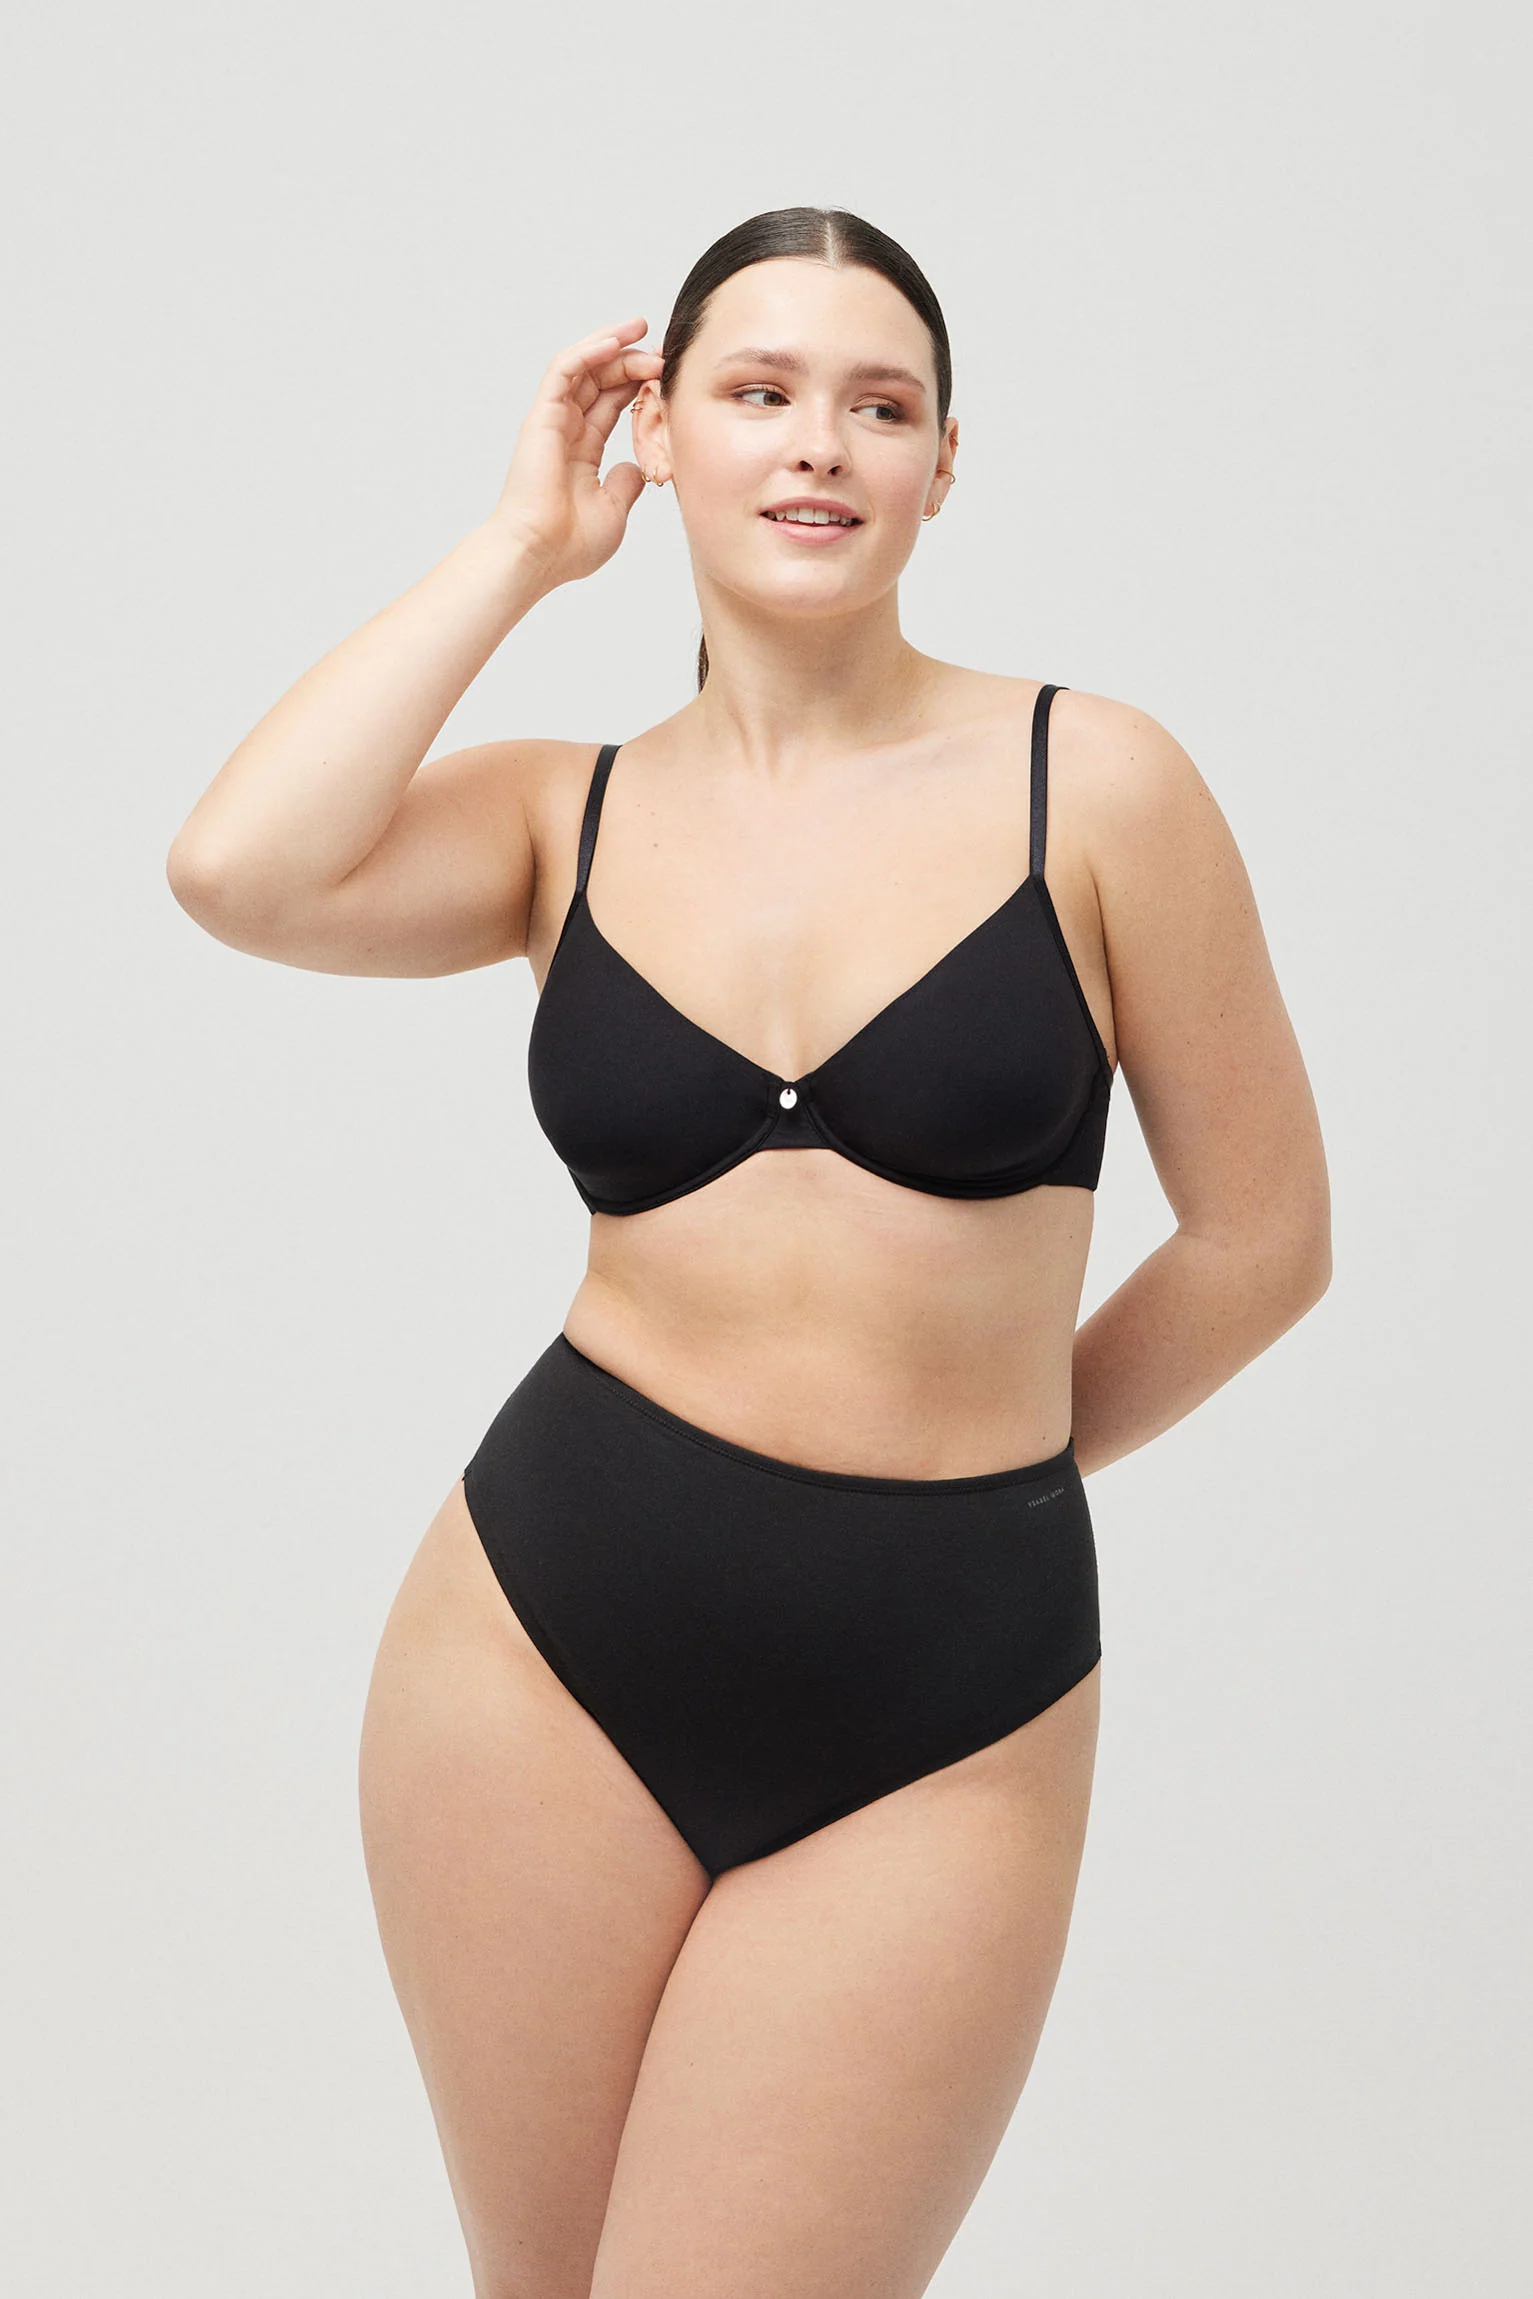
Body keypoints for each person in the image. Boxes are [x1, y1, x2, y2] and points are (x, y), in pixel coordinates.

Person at [165, 207, 1331, 2299]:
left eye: (878, 406)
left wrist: (995, 1475)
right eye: (760, 392)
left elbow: (1266, 1239)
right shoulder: (564, 815)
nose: (818, 444)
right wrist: (520, 550)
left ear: (943, 463)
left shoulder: (1096, 785)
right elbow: (241, 868)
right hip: (542, 1646)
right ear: (661, 433)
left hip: (945, 1694)